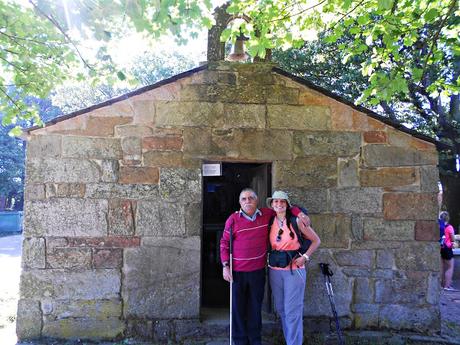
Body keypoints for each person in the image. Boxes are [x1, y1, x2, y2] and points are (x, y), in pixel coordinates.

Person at [220, 188, 310, 345]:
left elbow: (284, 206)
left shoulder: (267, 215)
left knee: (255, 309)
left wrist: (299, 212)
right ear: (239, 202)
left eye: (251, 198)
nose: (247, 201)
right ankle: (239, 341)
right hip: (237, 273)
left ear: (257, 201)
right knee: (237, 309)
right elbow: (224, 243)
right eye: (244, 199)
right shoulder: (233, 220)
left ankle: (255, 340)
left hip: (257, 271)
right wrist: (225, 265)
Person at [266, 190, 321, 345]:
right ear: (272, 204)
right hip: (275, 270)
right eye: (276, 202)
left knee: (293, 311)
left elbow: (316, 240)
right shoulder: (270, 221)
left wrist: (305, 257)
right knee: (282, 310)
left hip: (294, 271)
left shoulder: (296, 220)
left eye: (282, 201)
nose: (279, 204)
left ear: (287, 204)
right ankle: (290, 341)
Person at [439, 211, 456, 291]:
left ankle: (441, 285)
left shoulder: (439, 226)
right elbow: (452, 238)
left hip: (440, 248)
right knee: (450, 267)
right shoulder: (449, 227)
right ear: (448, 218)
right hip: (447, 249)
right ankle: (447, 286)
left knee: (441, 267)